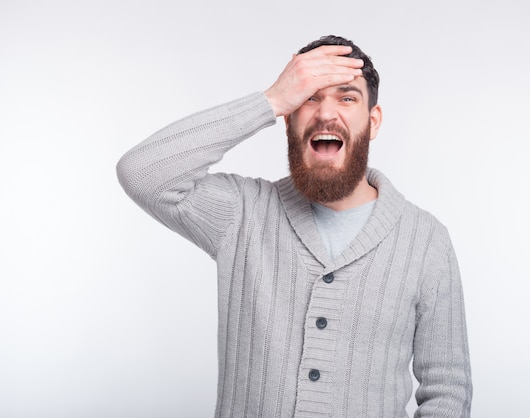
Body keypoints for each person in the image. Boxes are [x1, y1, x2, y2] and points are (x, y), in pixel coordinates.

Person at [117, 35, 472, 417]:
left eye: (347, 97)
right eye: (308, 97)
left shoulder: (425, 240)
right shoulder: (243, 213)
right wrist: (268, 100)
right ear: (287, 119)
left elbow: (447, 392)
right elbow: (142, 173)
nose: (325, 114)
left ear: (373, 122)